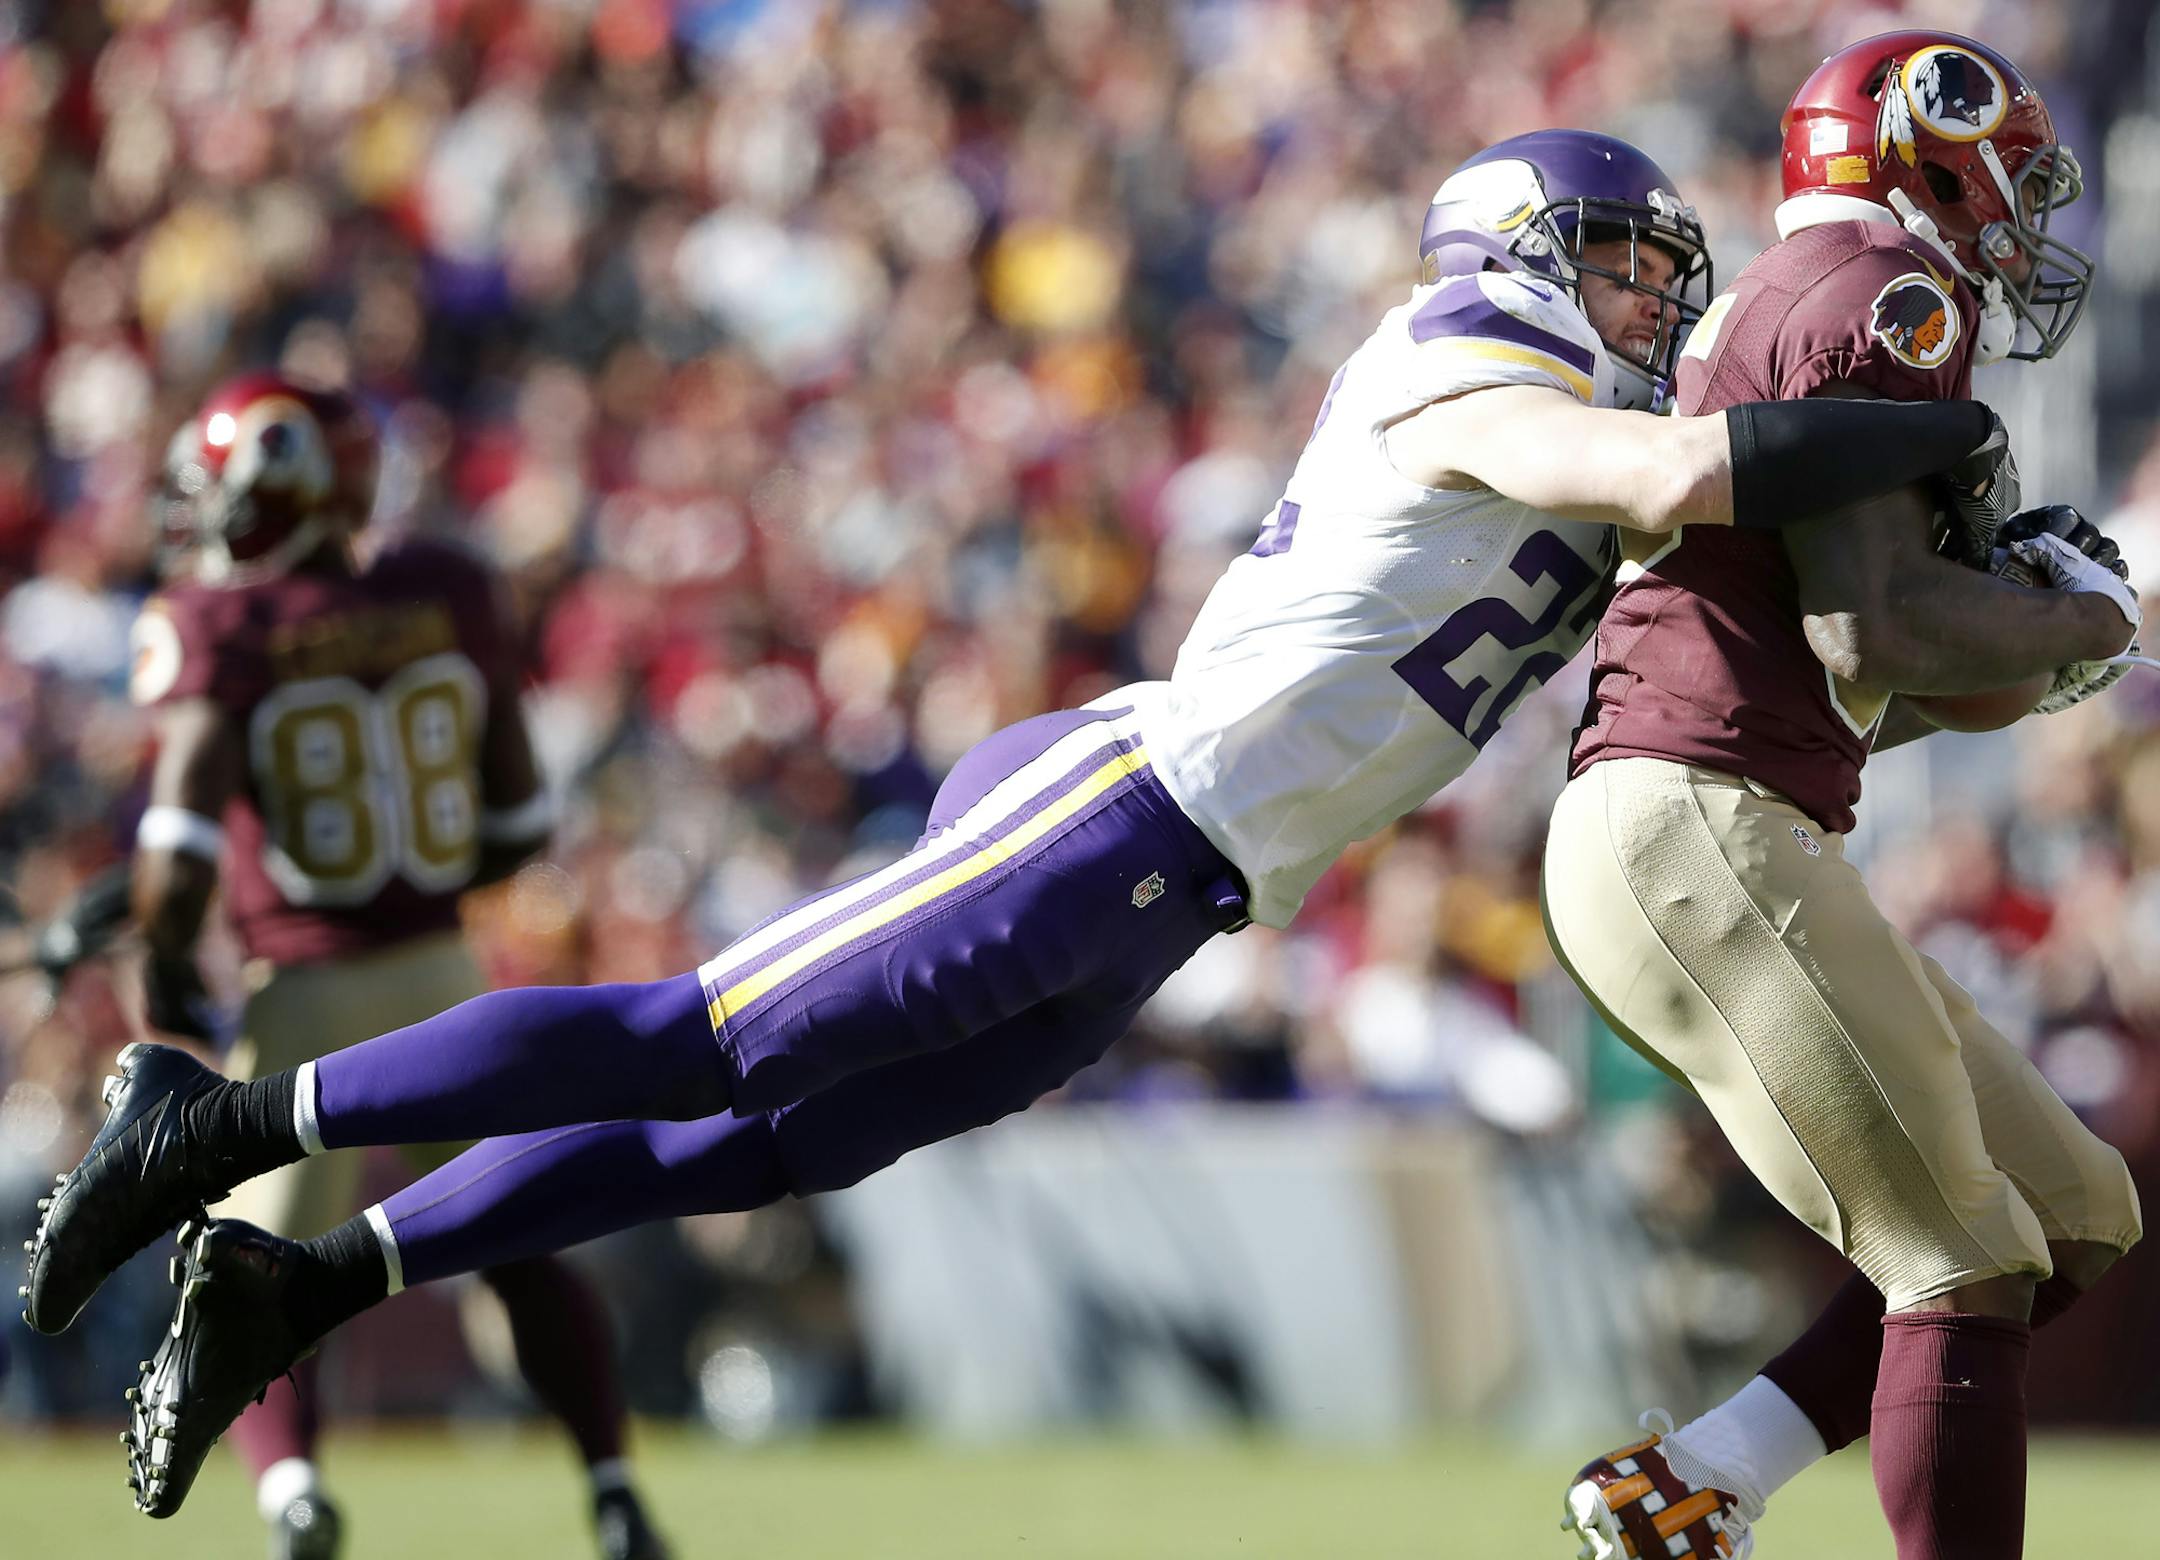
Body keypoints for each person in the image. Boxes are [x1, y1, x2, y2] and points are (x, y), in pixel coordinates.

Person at [24, 130, 2009, 1521]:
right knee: (700, 1032)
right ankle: (200, 1126)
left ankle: (306, 1282)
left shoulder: (1586, 443)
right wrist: (1946, 420)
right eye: (1622, 257)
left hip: (1189, 889)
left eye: (1662, 272)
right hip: (1120, 802)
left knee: (775, 1139)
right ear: (1517, 246)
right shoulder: (1468, 354)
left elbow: (1727, 603)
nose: (1647, 295)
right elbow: (1674, 461)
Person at [1544, 34, 2142, 1560]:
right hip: (1699, 822)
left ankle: (1702, 1481)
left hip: (1729, 815)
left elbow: (1883, 682)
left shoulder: (1809, 296)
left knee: (2071, 1210)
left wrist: (2029, 641)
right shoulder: (1884, 291)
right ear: (1922, 147)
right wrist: (2092, 624)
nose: (2022, 220)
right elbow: (1873, 629)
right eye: (2013, 179)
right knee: (1960, 1254)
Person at [56, 372, 670, 1559]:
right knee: (513, 1244)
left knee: (234, 1274)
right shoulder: (443, 587)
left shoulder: (218, 620)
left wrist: (170, 956)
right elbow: (512, 828)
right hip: (444, 979)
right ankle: (611, 1489)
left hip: (306, 998)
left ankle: (297, 1505)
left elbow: (179, 850)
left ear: (271, 483)